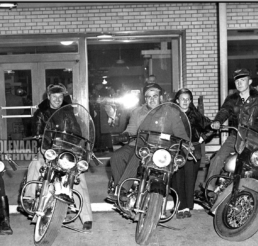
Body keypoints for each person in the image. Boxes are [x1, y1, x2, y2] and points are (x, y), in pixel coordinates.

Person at [23, 84, 93, 231]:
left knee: (78, 175)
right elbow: (37, 132)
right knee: (36, 163)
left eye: (60, 97)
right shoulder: (41, 113)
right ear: (48, 97)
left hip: (67, 148)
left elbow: (77, 131)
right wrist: (40, 137)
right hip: (49, 148)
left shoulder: (69, 110)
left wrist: (83, 145)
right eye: (54, 97)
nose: (57, 100)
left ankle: (86, 218)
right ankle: (29, 198)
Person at [201, 68, 258, 205]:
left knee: (257, 163)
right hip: (236, 134)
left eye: (243, 80)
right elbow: (224, 111)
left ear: (250, 81)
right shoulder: (232, 98)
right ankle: (209, 188)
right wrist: (217, 121)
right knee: (218, 157)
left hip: (255, 136)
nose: (239, 83)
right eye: (237, 81)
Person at [107, 83, 164, 201]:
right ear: (145, 98)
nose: (152, 99)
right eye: (149, 97)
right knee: (117, 156)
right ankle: (122, 189)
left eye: (155, 96)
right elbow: (132, 128)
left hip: (158, 147)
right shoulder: (137, 112)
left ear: (161, 97)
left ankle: (123, 189)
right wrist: (125, 135)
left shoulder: (168, 111)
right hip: (137, 143)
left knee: (139, 155)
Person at [171, 88, 211, 218]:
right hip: (176, 149)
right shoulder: (172, 114)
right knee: (177, 178)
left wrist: (201, 138)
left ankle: (187, 207)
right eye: (183, 99)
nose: (185, 101)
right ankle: (180, 207)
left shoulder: (196, 115)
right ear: (177, 100)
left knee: (189, 179)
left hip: (192, 151)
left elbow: (212, 127)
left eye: (188, 99)